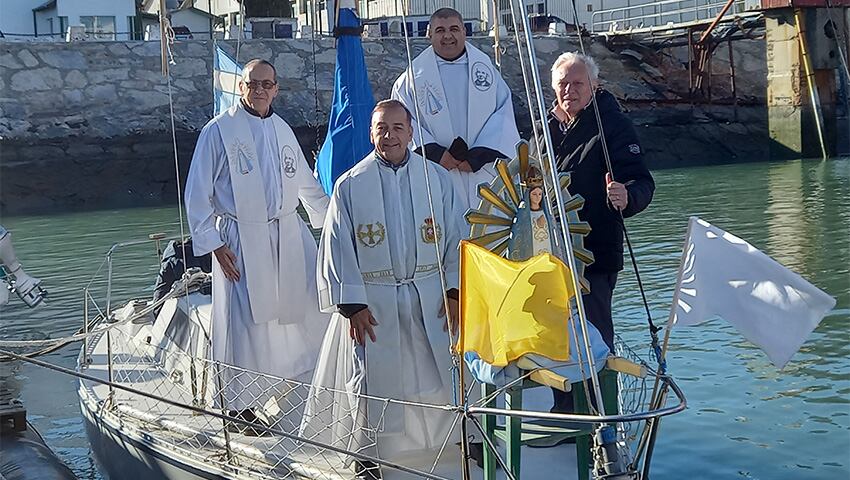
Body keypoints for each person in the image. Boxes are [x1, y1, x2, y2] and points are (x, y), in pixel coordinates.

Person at [300, 100, 462, 476]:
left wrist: (454, 290)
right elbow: (337, 246)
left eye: (397, 128)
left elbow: (457, 237)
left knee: (441, 367)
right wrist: (352, 304)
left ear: (410, 131)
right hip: (374, 298)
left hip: (431, 293)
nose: (389, 136)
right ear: (371, 133)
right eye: (381, 128)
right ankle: (369, 450)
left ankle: (454, 436)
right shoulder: (351, 185)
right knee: (370, 376)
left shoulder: (436, 178)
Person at [184, 59, 330, 433]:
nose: (261, 90)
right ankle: (239, 406)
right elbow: (198, 192)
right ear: (242, 88)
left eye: (268, 84)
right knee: (247, 323)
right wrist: (215, 244)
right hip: (241, 239)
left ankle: (307, 383)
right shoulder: (219, 131)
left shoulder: (281, 129)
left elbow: (306, 182)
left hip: (287, 232)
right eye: (254, 84)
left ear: (277, 89)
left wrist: (332, 221)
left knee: (311, 307)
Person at [547, 52, 655, 412]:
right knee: (556, 335)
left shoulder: (613, 125)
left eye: (578, 83)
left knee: (592, 337)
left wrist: (627, 196)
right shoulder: (547, 126)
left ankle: (598, 416)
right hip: (551, 255)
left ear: (594, 87)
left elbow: (642, 181)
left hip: (594, 253)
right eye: (563, 84)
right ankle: (565, 409)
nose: (570, 90)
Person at [391, 7, 520, 220]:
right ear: (429, 34)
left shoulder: (486, 70)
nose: (448, 36)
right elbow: (402, 121)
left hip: (481, 171)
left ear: (464, 32)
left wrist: (478, 156)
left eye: (454, 29)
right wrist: (435, 153)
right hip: (435, 170)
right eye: (440, 30)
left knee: (486, 235)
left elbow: (503, 115)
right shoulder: (411, 79)